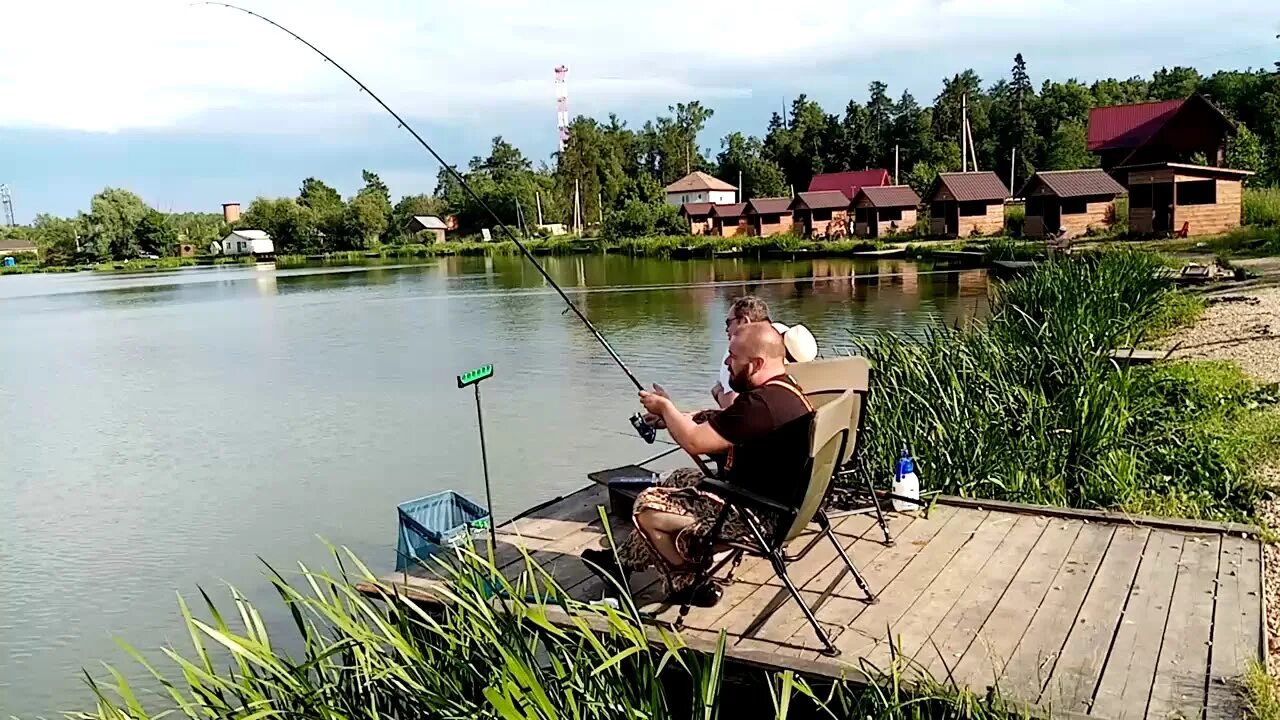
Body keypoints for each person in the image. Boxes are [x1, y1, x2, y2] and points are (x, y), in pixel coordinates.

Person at [582, 322, 815, 606]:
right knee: (677, 478)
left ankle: (687, 583)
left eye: (733, 357)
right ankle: (619, 564)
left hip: (755, 517)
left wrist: (666, 409)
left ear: (755, 363)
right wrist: (675, 418)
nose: (728, 363)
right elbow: (724, 423)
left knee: (647, 507)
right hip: (774, 505)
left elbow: (695, 442)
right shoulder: (783, 391)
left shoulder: (761, 405)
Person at [713, 296, 771, 409]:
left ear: (744, 321)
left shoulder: (737, 352)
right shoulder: (781, 343)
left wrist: (717, 392)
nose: (726, 329)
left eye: (728, 323)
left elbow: (730, 404)